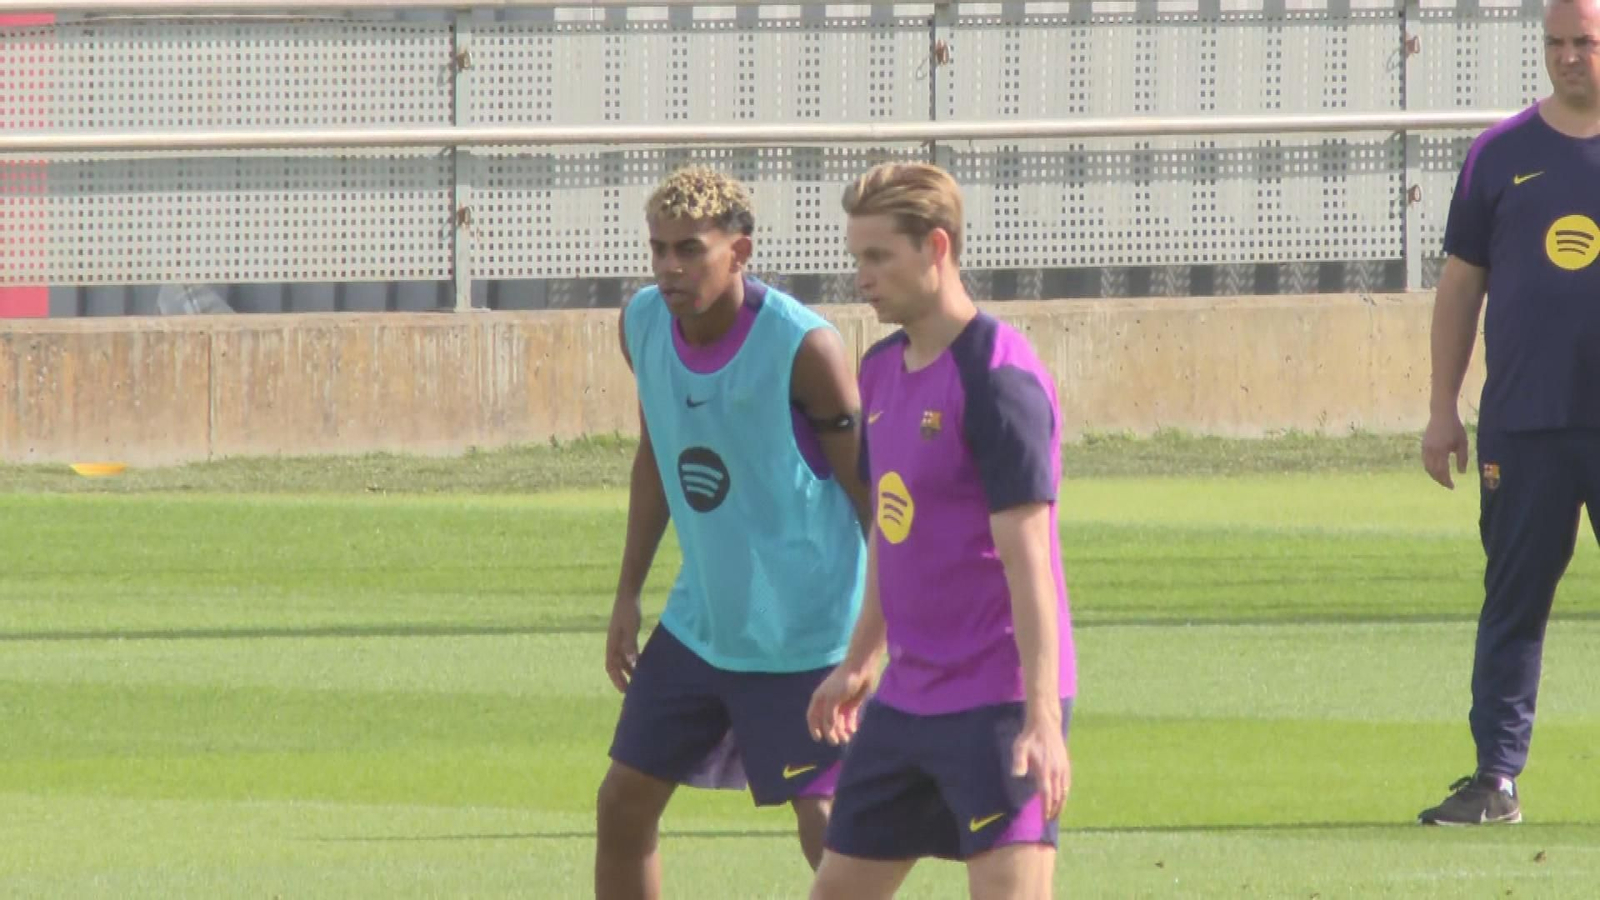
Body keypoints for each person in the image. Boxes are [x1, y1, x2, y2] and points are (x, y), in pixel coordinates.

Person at [594, 165, 871, 899]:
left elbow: (869, 494)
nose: (669, 268)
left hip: (802, 632)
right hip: (702, 621)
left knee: (824, 819)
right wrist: (628, 593)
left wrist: (885, 629)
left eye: (690, 249)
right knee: (623, 802)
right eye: (658, 249)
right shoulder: (642, 323)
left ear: (740, 253)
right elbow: (658, 452)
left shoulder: (805, 349)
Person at [806, 162, 1075, 899]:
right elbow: (895, 532)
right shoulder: (882, 368)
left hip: (996, 703)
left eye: (877, 257)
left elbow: (1030, 566)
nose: (860, 276)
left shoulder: (997, 379)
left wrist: (1041, 719)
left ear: (935, 248)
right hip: (905, 701)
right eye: (855, 256)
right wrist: (862, 659)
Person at [1417, 0, 1600, 826]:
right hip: (1524, 422)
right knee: (1514, 598)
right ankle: (1495, 778)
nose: (1569, 58)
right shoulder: (1499, 153)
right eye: (1557, 43)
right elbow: (1460, 288)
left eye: (1585, 43)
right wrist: (1440, 410)